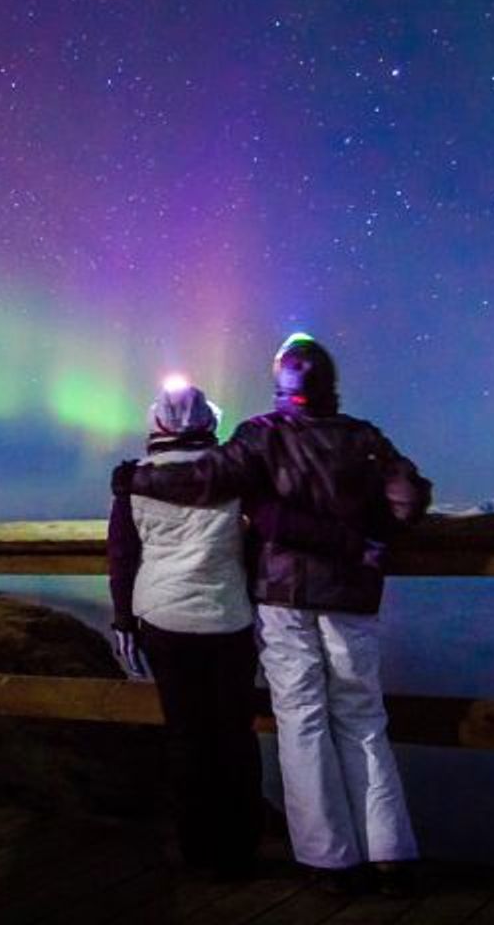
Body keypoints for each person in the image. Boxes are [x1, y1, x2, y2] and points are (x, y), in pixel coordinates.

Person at [112, 334, 431, 894]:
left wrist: (135, 480)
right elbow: (407, 500)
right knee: (363, 718)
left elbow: (205, 479)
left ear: (281, 382)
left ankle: (328, 859)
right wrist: (369, 538)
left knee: (302, 719)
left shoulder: (261, 435)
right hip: (350, 597)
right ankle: (390, 853)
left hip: (281, 595)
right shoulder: (365, 437)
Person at [108, 375, 260, 880]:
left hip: (164, 619)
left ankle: (198, 849)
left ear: (154, 423)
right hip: (229, 618)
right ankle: (241, 848)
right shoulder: (236, 476)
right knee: (234, 735)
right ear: (209, 422)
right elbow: (256, 547)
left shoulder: (133, 480)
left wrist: (124, 620)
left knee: (187, 737)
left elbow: (124, 556)